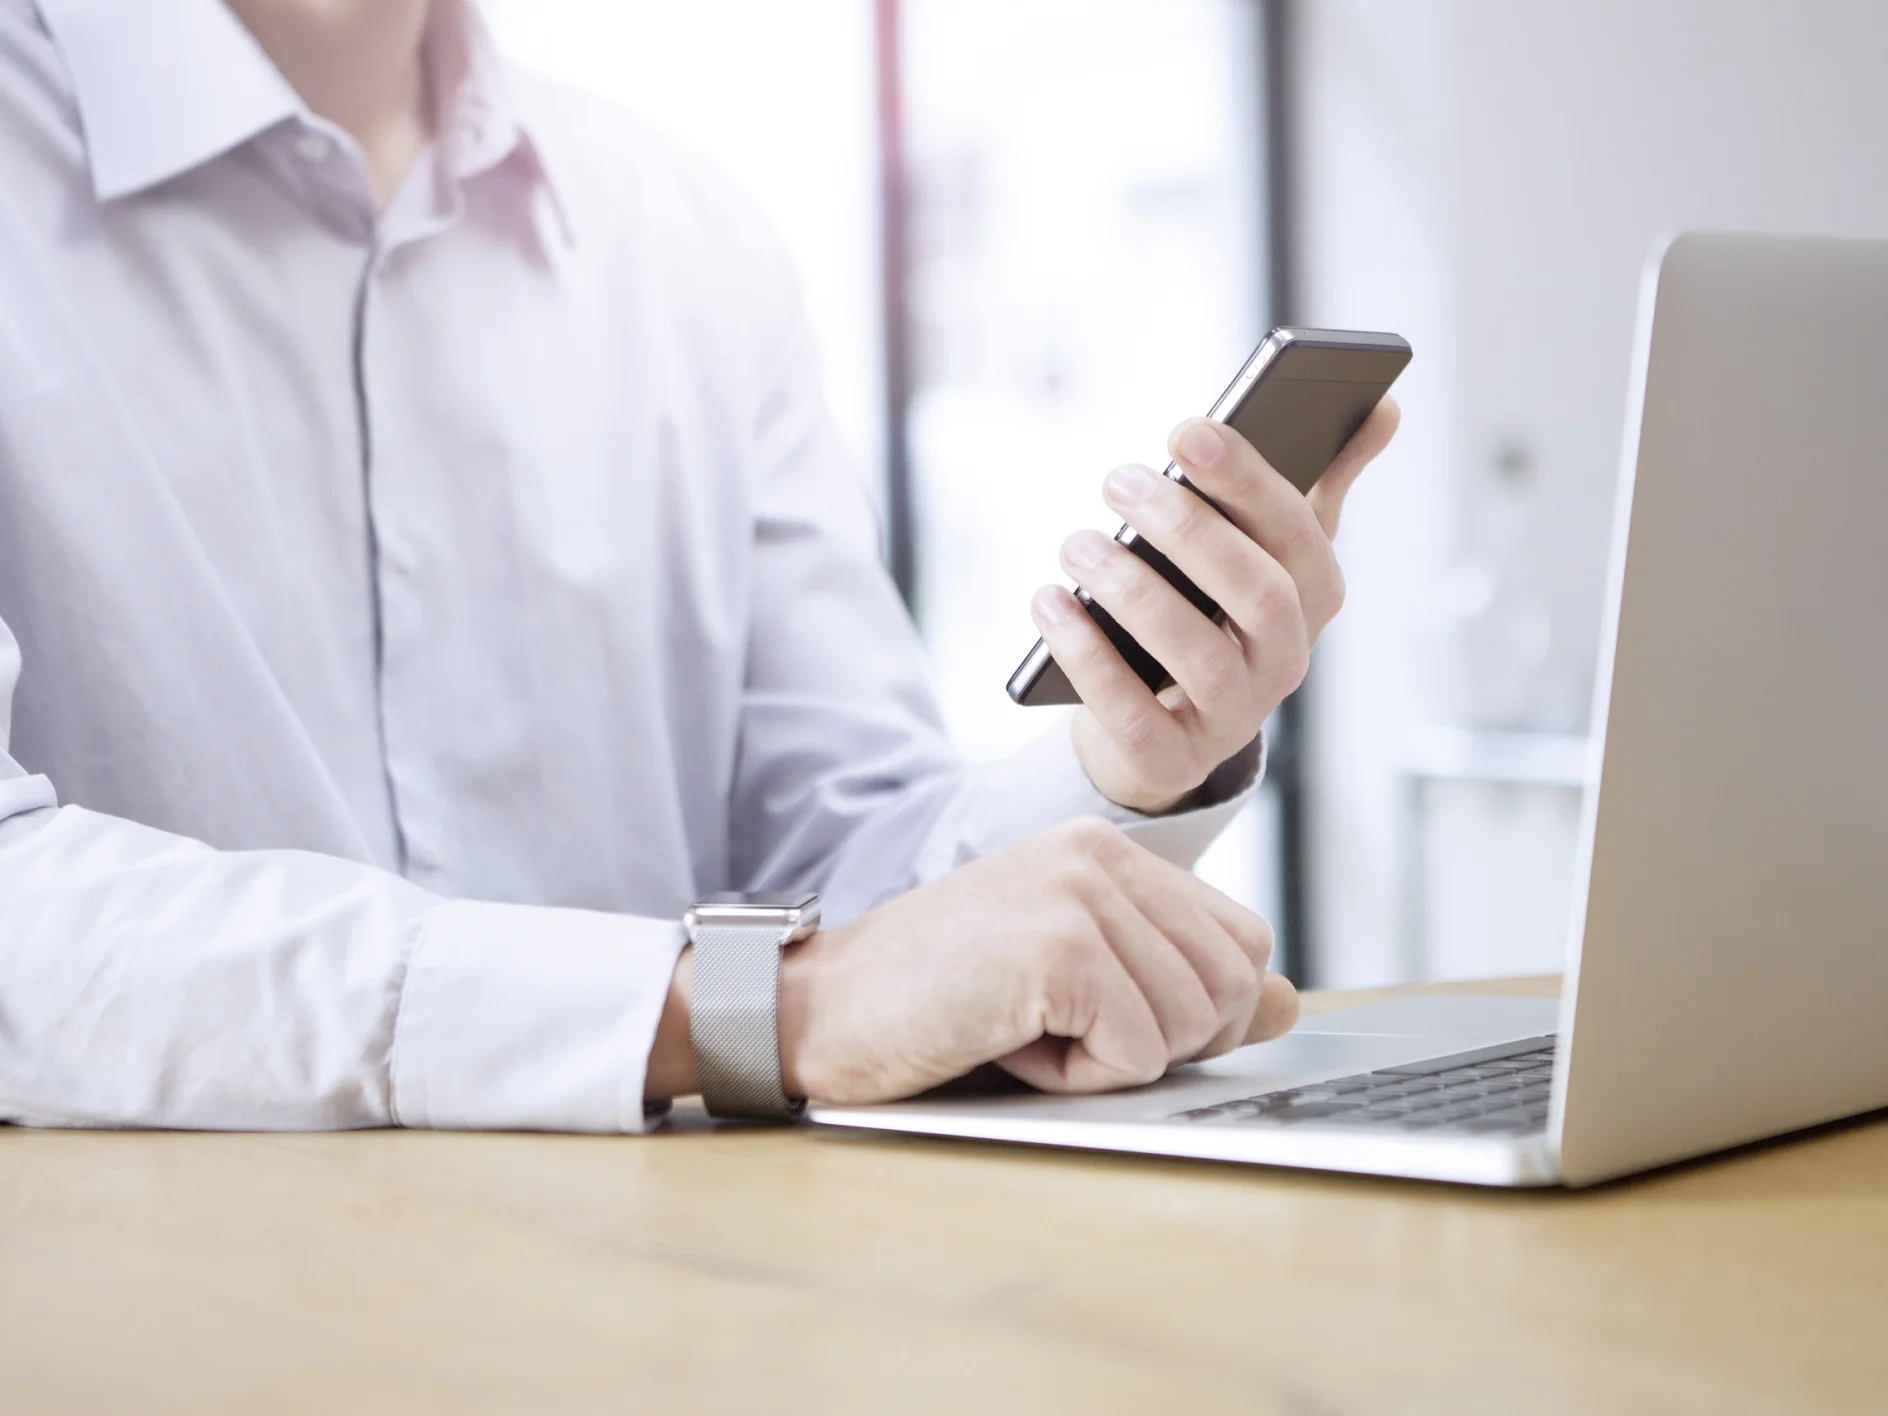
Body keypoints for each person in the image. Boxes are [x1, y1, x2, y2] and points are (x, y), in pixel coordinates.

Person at [0, 0, 1397, 1132]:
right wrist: (747, 1012)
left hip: (677, 1318)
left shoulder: (686, 237)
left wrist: (1120, 770)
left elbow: (848, 880)